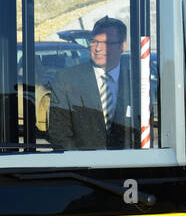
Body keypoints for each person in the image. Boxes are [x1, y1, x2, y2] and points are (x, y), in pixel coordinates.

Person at [47, 16, 137, 150]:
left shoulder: (136, 82)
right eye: (94, 42)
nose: (97, 49)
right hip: (82, 166)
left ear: (122, 46)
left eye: (106, 43)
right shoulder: (67, 79)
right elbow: (59, 133)